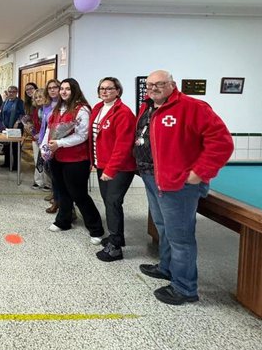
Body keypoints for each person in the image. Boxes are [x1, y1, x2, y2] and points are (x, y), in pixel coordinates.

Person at [135, 70, 233, 305]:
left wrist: (200, 173)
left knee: (181, 238)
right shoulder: (147, 107)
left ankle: (185, 288)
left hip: (178, 184)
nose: (153, 88)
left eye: (160, 84)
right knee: (163, 227)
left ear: (172, 85)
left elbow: (222, 142)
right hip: (151, 178)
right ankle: (166, 268)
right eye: (150, 85)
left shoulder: (193, 107)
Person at [42, 78, 105, 243]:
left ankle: (96, 228)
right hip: (57, 157)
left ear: (74, 90)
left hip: (76, 159)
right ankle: (63, 221)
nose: (63, 92)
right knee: (62, 192)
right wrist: (45, 147)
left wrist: (60, 143)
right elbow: (50, 129)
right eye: (62, 88)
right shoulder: (57, 108)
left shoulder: (82, 109)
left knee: (78, 194)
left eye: (67, 89)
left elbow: (82, 135)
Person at [89, 77, 136, 262]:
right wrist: (94, 161)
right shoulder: (98, 108)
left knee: (113, 203)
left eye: (109, 88)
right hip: (102, 165)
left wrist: (111, 169)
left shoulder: (123, 113)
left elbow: (123, 146)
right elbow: (95, 138)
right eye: (102, 88)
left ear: (118, 90)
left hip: (119, 168)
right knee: (109, 202)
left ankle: (115, 247)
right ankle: (118, 237)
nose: (105, 91)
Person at [40, 79, 60, 213]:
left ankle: (60, 202)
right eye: (50, 88)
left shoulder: (63, 104)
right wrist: (41, 141)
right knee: (49, 169)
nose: (52, 90)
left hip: (59, 143)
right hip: (46, 140)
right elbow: (45, 126)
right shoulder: (46, 105)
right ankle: (55, 196)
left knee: (58, 174)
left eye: (55, 87)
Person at [0, 86, 25, 171]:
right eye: (10, 91)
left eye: (13, 92)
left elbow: (23, 115)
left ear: (16, 92)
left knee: (15, 147)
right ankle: (7, 163)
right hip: (5, 127)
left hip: (16, 128)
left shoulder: (20, 102)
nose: (11, 93)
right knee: (6, 146)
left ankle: (16, 165)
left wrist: (17, 122)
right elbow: (1, 113)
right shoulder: (5, 102)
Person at [25, 87, 46, 190]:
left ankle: (48, 183)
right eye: (36, 97)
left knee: (45, 162)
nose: (38, 99)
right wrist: (29, 125)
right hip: (36, 138)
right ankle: (38, 181)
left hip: (46, 140)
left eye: (40, 97)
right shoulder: (37, 110)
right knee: (37, 161)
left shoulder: (49, 109)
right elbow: (35, 123)